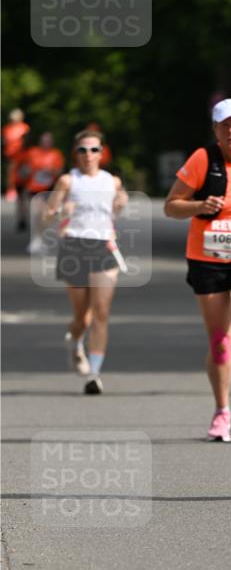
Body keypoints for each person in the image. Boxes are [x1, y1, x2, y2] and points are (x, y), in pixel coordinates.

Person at [164, 98, 231, 443]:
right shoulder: (202, 159)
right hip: (206, 256)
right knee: (221, 341)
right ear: (216, 130)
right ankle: (222, 410)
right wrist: (199, 205)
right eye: (225, 125)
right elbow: (171, 207)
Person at [43, 128, 127, 394]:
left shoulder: (112, 181)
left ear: (102, 153)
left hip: (103, 247)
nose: (88, 155)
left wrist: (121, 202)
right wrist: (59, 212)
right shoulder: (68, 181)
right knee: (82, 315)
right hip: (74, 247)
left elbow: (118, 205)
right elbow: (46, 216)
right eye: (82, 150)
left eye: (94, 150)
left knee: (101, 313)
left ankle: (94, 373)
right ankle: (75, 342)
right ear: (75, 154)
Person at [14, 132, 65, 251]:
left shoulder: (56, 154)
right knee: (37, 212)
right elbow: (23, 169)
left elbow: (60, 172)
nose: (46, 143)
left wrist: (51, 171)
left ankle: (43, 237)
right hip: (34, 188)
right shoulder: (32, 153)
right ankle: (37, 238)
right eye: (44, 140)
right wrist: (25, 173)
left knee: (46, 214)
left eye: (48, 141)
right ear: (40, 141)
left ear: (52, 142)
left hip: (50, 187)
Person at [2, 108, 30, 210]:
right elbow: (4, 141)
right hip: (10, 154)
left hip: (22, 155)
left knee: (21, 174)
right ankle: (11, 190)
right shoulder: (6, 129)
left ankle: (23, 191)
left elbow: (27, 141)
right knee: (10, 173)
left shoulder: (24, 128)